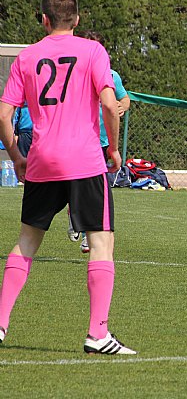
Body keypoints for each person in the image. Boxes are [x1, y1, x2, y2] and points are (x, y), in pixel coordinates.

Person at [0, 0, 136, 354]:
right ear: (76, 19)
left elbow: (2, 114)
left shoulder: (26, 57)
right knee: (102, 241)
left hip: (42, 160)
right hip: (85, 161)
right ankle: (98, 333)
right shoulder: (93, 51)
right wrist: (112, 148)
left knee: (27, 243)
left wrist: (15, 154)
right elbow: (109, 104)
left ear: (44, 20)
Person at [69, 30, 130, 254]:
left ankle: (86, 234)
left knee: (96, 190)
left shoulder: (111, 76)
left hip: (102, 142)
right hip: (79, 140)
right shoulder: (74, 74)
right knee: (75, 185)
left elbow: (124, 98)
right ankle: (76, 220)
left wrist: (122, 105)